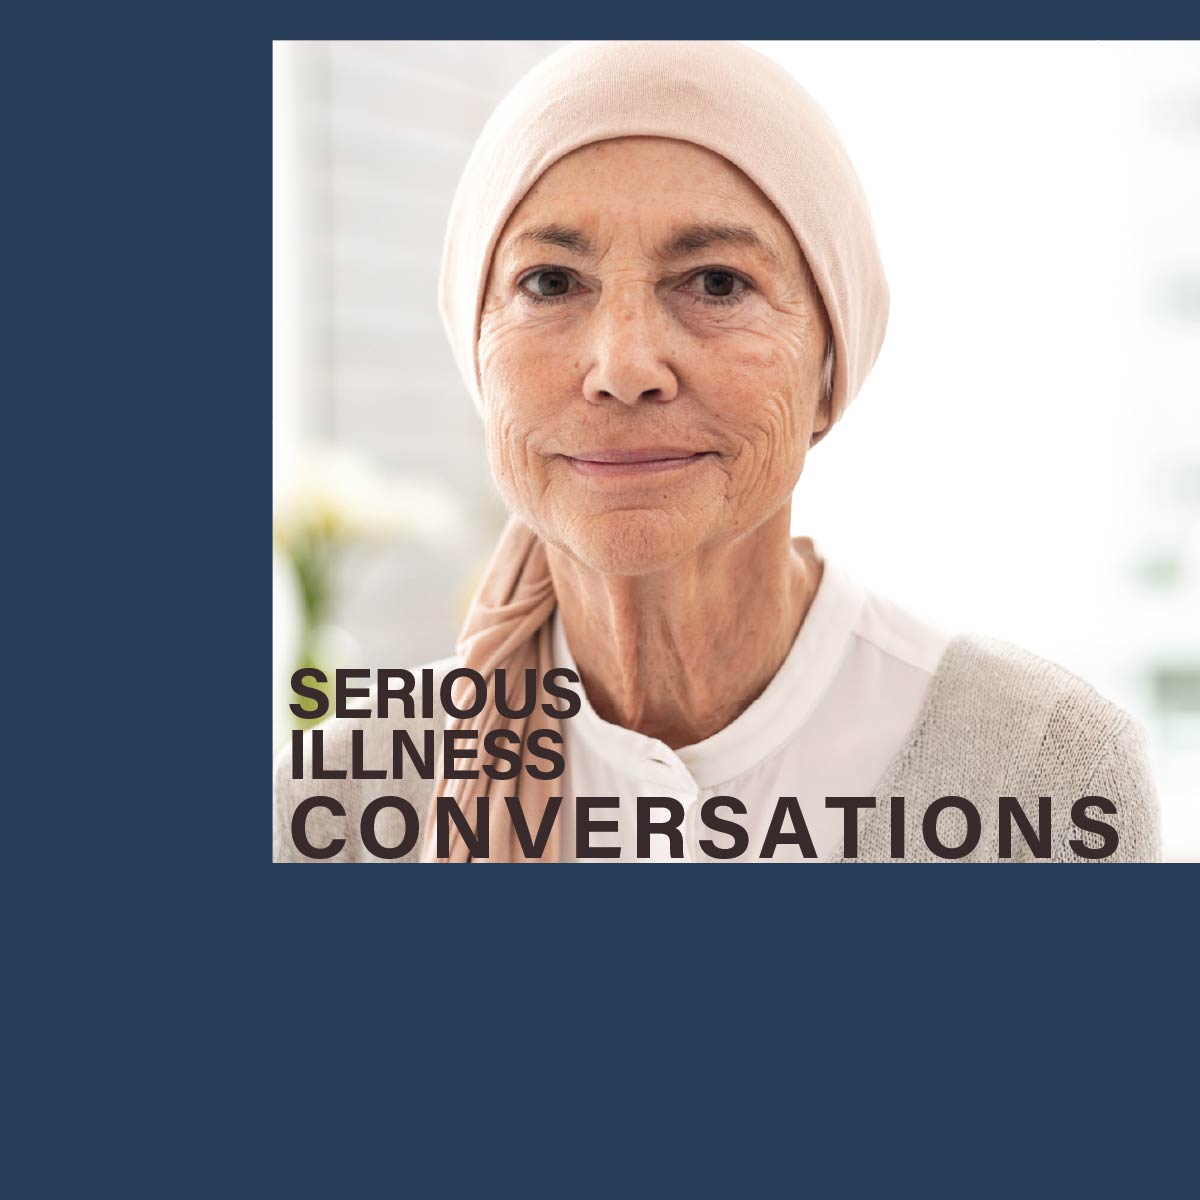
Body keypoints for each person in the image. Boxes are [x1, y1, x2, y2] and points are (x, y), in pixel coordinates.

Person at [273, 40, 1160, 863]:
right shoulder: (337, 796)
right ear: (476, 354)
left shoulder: (1040, 770)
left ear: (829, 368)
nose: (622, 367)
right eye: (549, 282)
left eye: (717, 282)